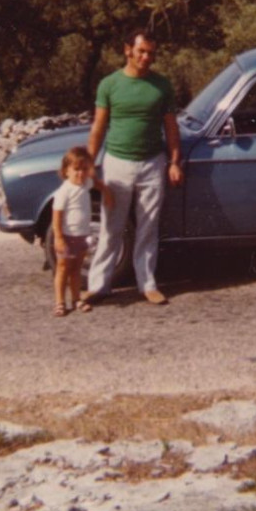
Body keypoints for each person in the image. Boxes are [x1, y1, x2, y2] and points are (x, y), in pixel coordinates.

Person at [84, 29, 183, 306]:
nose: (146, 57)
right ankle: (98, 286)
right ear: (128, 50)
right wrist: (89, 164)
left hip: (153, 163)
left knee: (148, 227)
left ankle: (147, 284)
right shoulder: (110, 84)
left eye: (151, 53)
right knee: (111, 226)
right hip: (117, 164)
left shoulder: (162, 85)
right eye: (141, 51)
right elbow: (98, 128)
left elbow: (171, 127)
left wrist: (175, 162)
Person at [49, 147, 111, 317]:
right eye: (76, 169)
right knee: (63, 268)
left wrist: (106, 192)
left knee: (76, 269)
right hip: (67, 236)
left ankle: (76, 299)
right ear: (66, 171)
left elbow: (96, 182)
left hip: (82, 235)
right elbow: (56, 216)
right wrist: (59, 238)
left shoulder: (86, 183)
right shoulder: (64, 191)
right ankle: (60, 302)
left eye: (84, 169)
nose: (80, 174)